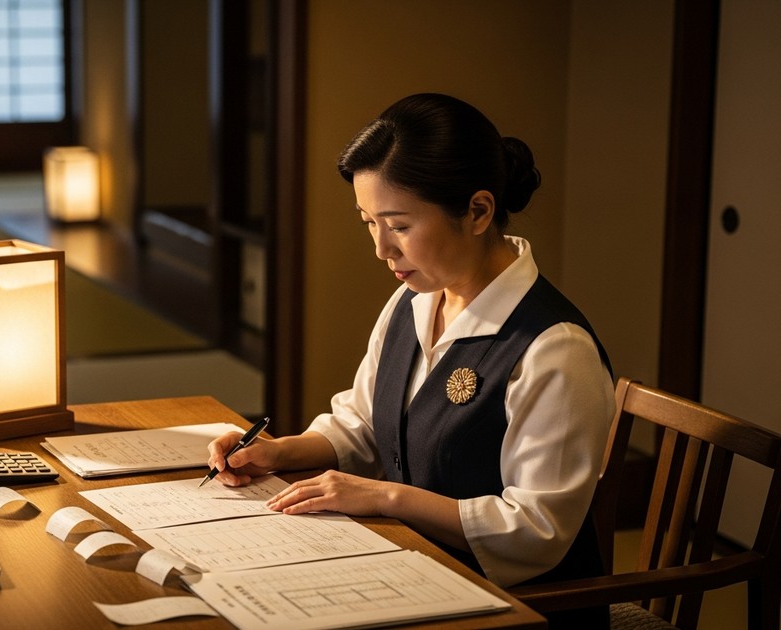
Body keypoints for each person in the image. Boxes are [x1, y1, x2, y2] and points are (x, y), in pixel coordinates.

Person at [206, 93, 614, 629]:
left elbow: (535, 529)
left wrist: (386, 497)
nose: (381, 249)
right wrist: (278, 453)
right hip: (417, 576)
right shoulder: (414, 300)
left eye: (398, 225)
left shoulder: (553, 347)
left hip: (514, 609)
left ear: (477, 211)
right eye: (367, 222)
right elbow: (364, 425)